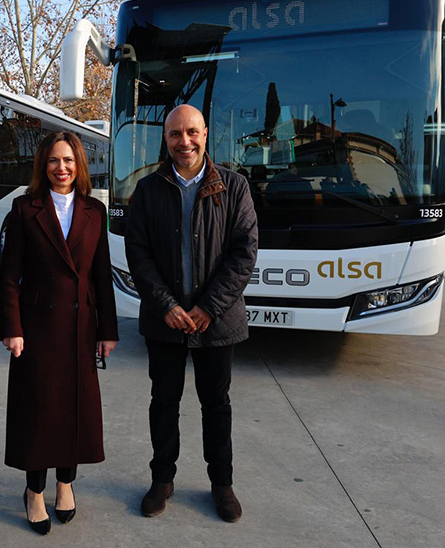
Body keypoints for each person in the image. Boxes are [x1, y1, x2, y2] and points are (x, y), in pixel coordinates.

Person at [124, 104, 258, 523]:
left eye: (192, 132)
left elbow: (244, 253)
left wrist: (207, 307)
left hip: (216, 321)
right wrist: (166, 305)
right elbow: (137, 253)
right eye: (175, 134)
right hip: (164, 321)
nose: (184, 141)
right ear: (165, 139)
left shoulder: (233, 187)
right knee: (164, 402)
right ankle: (162, 480)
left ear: (205, 134)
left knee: (216, 404)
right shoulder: (148, 189)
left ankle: (222, 484)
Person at [0, 131, 118, 535]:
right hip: (36, 329)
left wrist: (108, 330)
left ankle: (65, 484)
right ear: (42, 165)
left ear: (79, 164)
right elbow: (9, 275)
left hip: (81, 328)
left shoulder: (94, 211)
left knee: (74, 410)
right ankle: (34, 491)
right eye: (53, 160)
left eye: (68, 160)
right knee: (39, 411)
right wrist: (12, 328)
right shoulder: (24, 208)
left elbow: (101, 274)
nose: (61, 168)